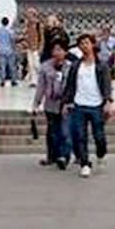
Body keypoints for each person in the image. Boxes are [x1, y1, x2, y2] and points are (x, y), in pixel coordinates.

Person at [62, 34, 114, 178]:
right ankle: (85, 164)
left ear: (92, 45)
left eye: (86, 43)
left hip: (96, 105)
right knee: (80, 136)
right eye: (81, 44)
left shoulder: (101, 65)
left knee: (99, 137)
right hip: (79, 105)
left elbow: (107, 85)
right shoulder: (75, 66)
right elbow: (70, 86)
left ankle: (101, 154)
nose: (84, 46)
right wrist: (66, 103)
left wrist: (108, 102)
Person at [32, 40, 73, 169]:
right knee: (52, 132)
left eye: (60, 50)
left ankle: (64, 156)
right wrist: (36, 103)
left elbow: (73, 86)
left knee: (65, 131)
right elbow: (41, 87)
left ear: (66, 52)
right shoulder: (45, 67)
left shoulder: (71, 67)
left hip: (66, 104)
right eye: (55, 50)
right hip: (50, 103)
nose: (57, 53)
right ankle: (52, 156)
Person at [0, 17, 19, 87]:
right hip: (10, 50)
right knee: (12, 66)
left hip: (1, 50)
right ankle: (13, 81)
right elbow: (12, 40)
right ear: (8, 22)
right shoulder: (10, 31)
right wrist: (14, 49)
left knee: (2, 66)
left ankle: (2, 81)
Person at [21, 8, 43, 84]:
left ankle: (41, 78)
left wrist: (41, 47)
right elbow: (24, 36)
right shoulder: (27, 25)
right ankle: (34, 81)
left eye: (29, 13)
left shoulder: (38, 24)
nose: (27, 15)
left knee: (36, 64)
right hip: (29, 47)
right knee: (31, 65)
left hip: (36, 47)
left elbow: (42, 37)